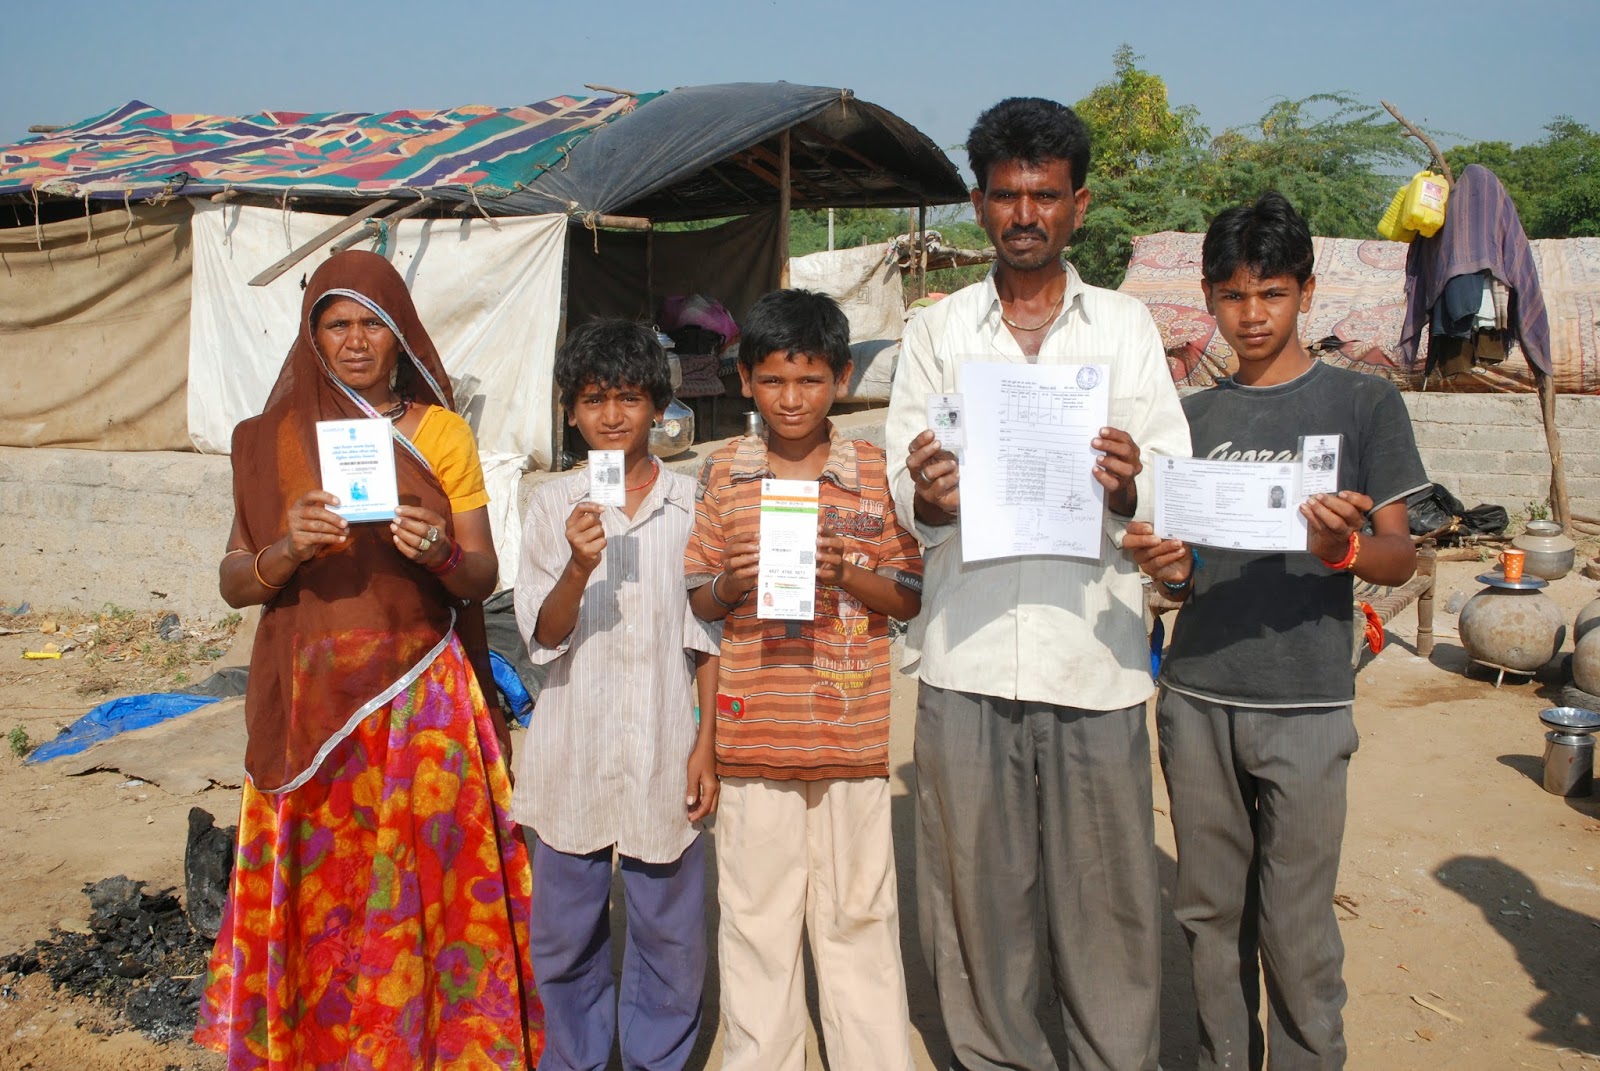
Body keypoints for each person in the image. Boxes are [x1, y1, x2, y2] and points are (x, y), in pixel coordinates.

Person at [884, 97, 1190, 1071]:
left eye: (1045, 197)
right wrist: (929, 496)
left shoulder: (1127, 328)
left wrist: (1129, 482)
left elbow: (1168, 485)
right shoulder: (938, 335)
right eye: (1007, 196)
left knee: (1108, 910)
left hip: (1092, 660)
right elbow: (904, 484)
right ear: (978, 205)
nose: (1026, 215)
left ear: (1079, 204)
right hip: (966, 656)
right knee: (978, 910)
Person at [196, 251, 544, 1070]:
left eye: (372, 324)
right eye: (336, 323)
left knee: (426, 891)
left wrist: (439, 555)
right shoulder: (268, 441)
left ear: (401, 335)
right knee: (331, 893)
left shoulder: (440, 434)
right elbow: (234, 579)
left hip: (422, 703)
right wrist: (287, 549)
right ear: (312, 336)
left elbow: (483, 572)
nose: (355, 341)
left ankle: (431, 1044)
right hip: (309, 707)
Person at [1124, 191, 1429, 1071]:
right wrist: (1166, 567)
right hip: (1197, 698)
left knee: (1296, 925)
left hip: (1307, 701)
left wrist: (1338, 550)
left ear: (1307, 290)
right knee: (1208, 916)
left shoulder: (1364, 405)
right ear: (1210, 299)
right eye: (1231, 295)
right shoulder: (1189, 415)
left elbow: (1397, 558)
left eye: (1272, 293)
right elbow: (1185, 574)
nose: (1251, 315)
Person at [683, 289, 925, 1071]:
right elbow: (697, 599)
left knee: (859, 917)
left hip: (851, 736)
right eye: (775, 380)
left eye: (812, 380)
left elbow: (910, 592)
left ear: (843, 378)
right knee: (756, 922)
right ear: (745, 379)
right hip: (756, 734)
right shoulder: (724, 473)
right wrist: (732, 581)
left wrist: (849, 571)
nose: (793, 399)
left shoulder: (873, 471)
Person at [511, 320, 720, 1071]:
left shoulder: (691, 504)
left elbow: (708, 637)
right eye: (594, 399)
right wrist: (575, 564)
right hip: (575, 752)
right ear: (570, 410)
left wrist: (705, 745)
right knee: (565, 935)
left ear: (657, 406)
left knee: (670, 934)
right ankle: (577, 1058)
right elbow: (542, 634)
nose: (609, 416)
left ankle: (655, 1058)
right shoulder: (550, 505)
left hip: (665, 745)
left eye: (627, 398)